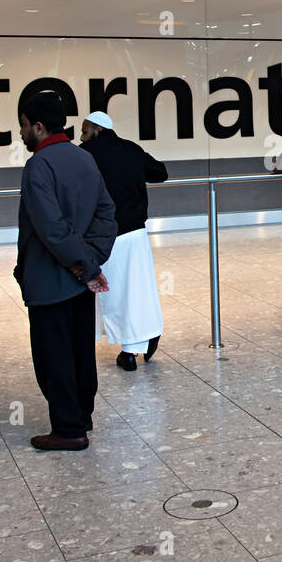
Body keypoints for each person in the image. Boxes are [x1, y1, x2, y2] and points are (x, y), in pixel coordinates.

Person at [14, 92, 118, 451]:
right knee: (79, 351)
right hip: (79, 281)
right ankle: (82, 416)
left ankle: (69, 429)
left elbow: (51, 228)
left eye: (25, 126)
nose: (22, 134)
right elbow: (107, 214)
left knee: (53, 355)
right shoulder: (83, 159)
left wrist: (83, 263)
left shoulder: (38, 166)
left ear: (39, 127)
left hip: (50, 280)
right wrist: (91, 262)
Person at [79, 110, 168, 371]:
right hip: (135, 234)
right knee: (136, 293)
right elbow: (160, 172)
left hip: (100, 236)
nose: (82, 137)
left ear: (97, 129)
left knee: (106, 293)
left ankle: (95, 346)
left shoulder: (86, 154)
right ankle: (133, 348)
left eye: (84, 131)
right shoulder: (131, 149)